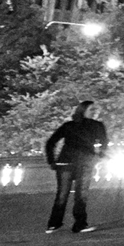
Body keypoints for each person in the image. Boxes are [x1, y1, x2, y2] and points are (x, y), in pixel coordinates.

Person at [42, 100, 108, 234]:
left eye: (95, 110)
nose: (94, 112)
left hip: (71, 163)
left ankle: (56, 224)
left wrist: (52, 161)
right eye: (91, 110)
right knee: (73, 194)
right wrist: (99, 154)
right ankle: (75, 224)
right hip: (80, 163)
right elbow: (103, 144)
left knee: (68, 194)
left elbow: (51, 142)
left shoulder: (71, 125)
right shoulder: (94, 126)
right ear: (83, 110)